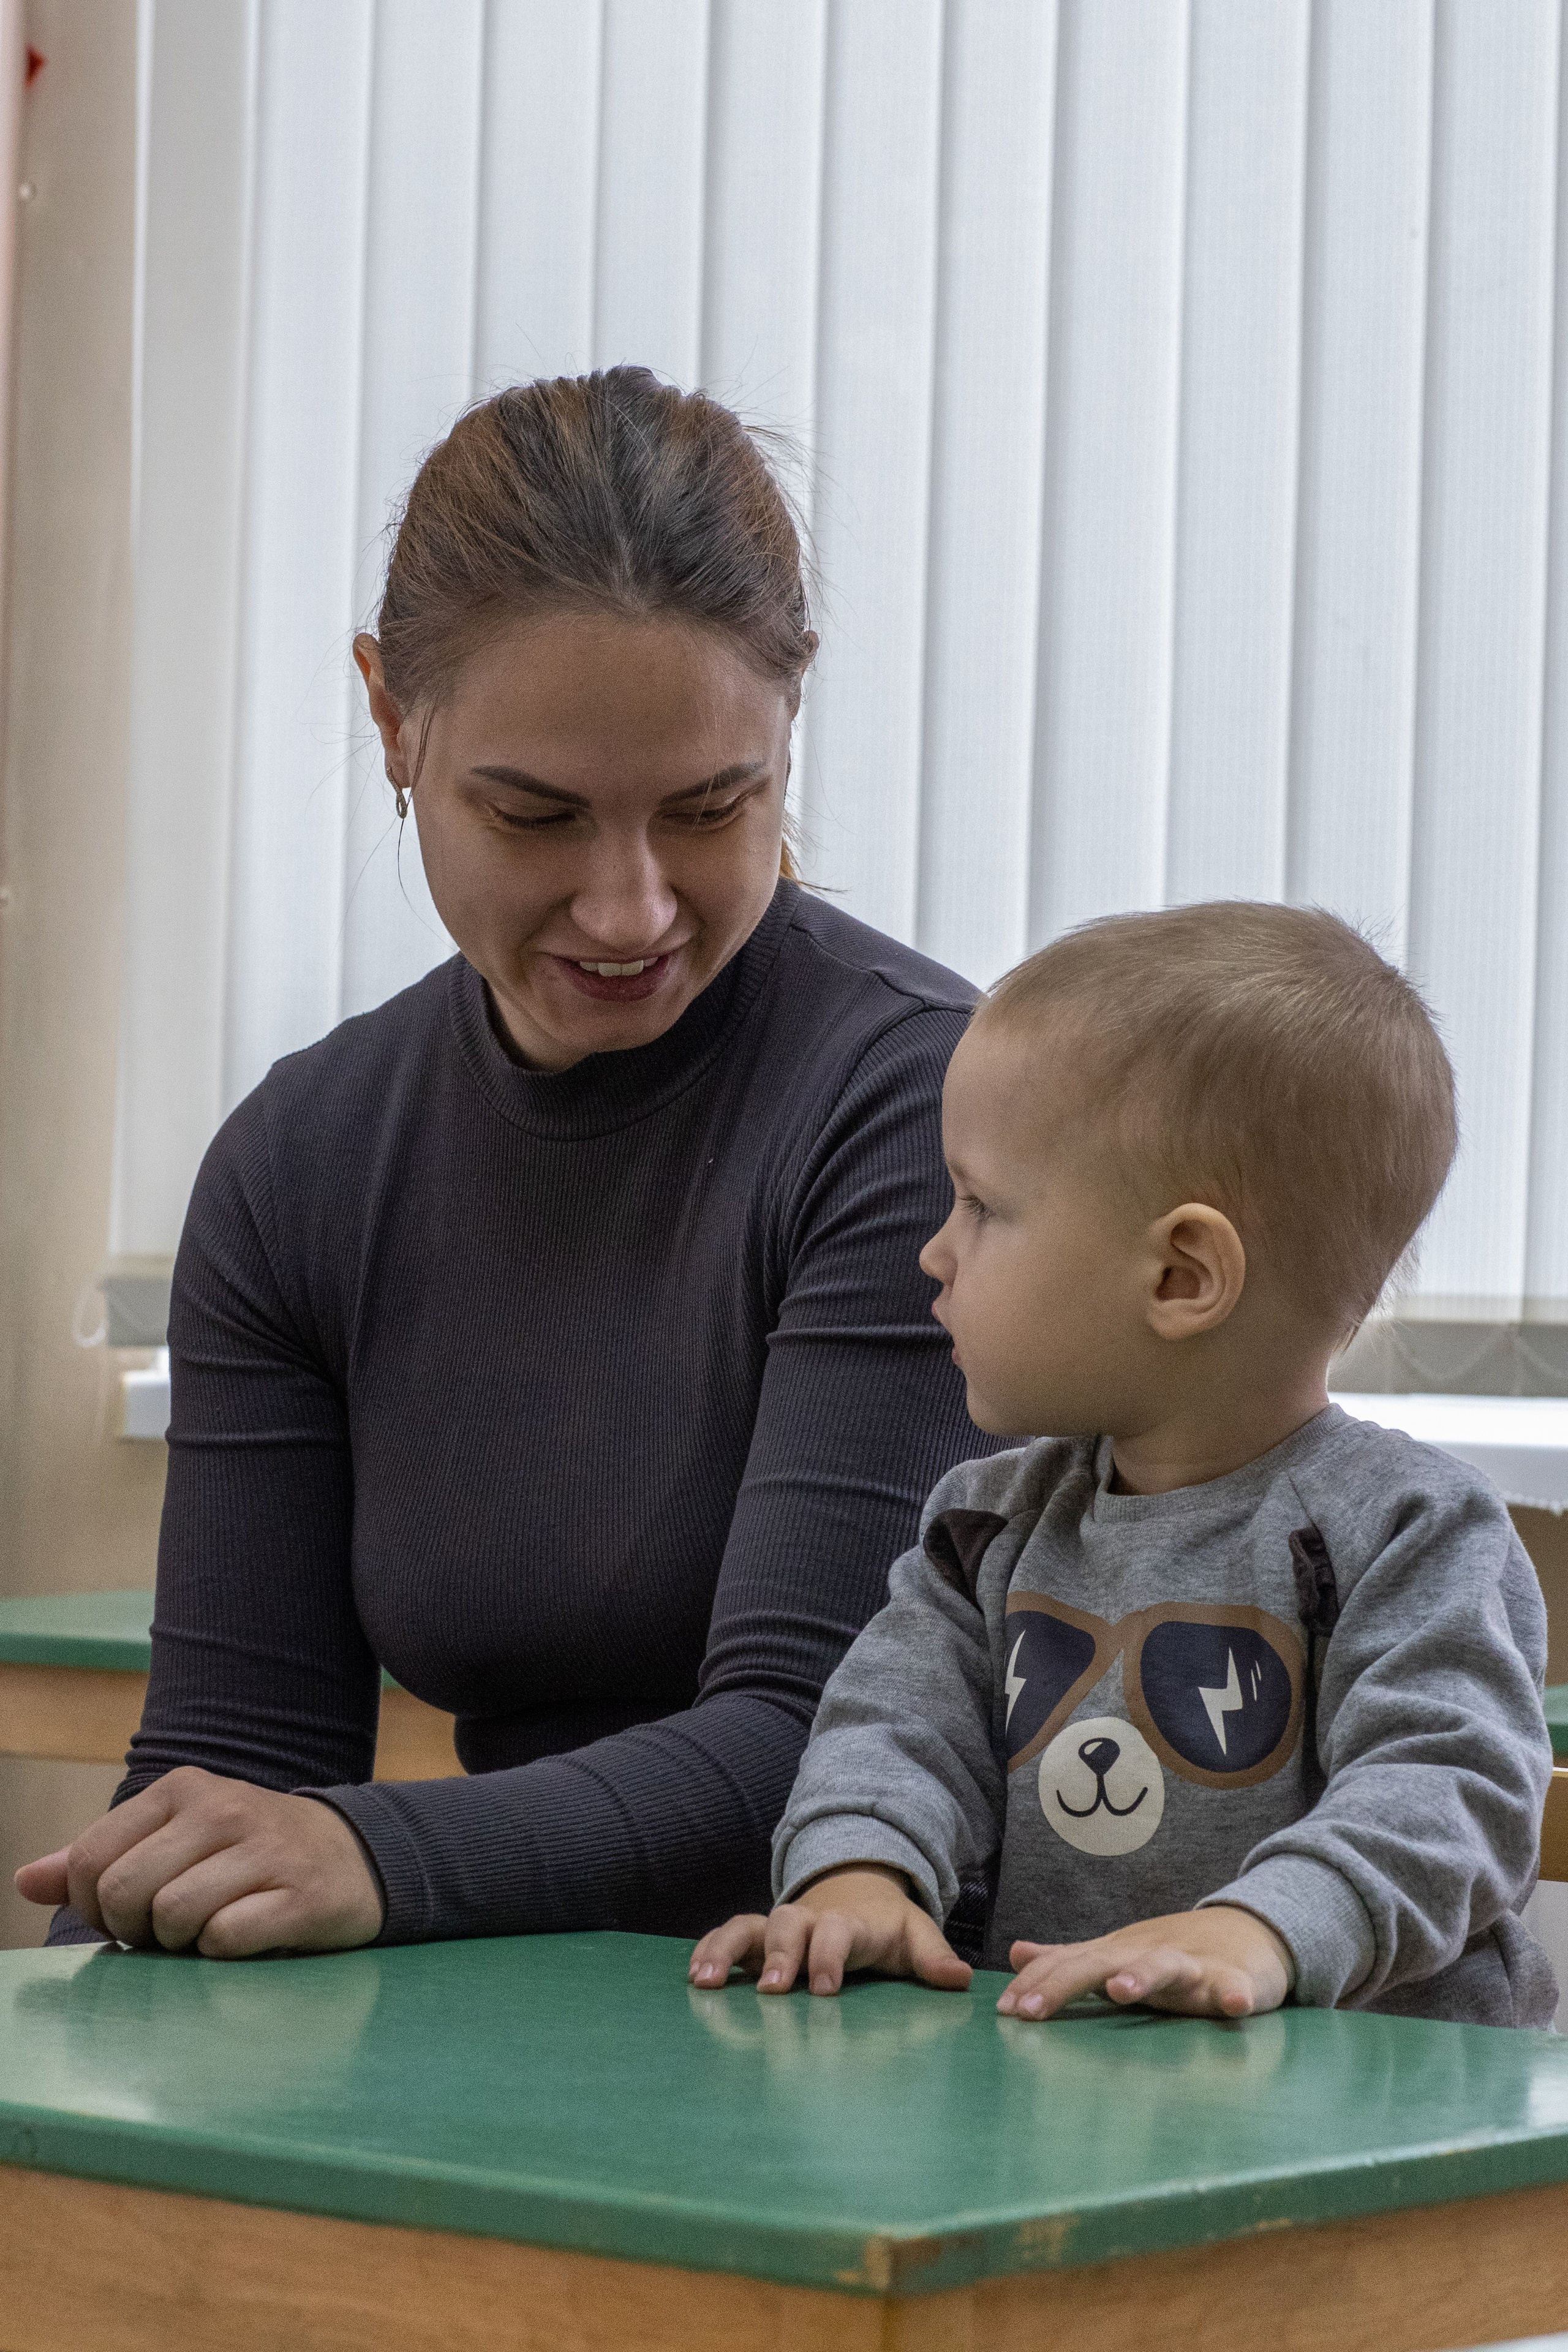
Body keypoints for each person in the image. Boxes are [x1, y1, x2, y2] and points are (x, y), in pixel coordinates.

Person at [18, 368, 995, 1958]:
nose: (629, 908)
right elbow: (237, 1765)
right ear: (392, 718)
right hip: (500, 2016)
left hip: (883, 2020)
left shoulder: (926, 1106)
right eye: (535, 815)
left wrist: (378, 1857)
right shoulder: (297, 1166)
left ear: (789, 726)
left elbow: (817, 1748)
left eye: (709, 808)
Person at [691, 903, 1558, 2027]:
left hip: (1381, 2128)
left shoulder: (1413, 1528)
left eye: (982, 1206)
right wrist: (861, 1871)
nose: (934, 1252)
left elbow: (1450, 1787)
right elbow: (894, 1729)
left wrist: (1263, 1929)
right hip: (1075, 2099)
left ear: (1181, 1277)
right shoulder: (987, 1523)